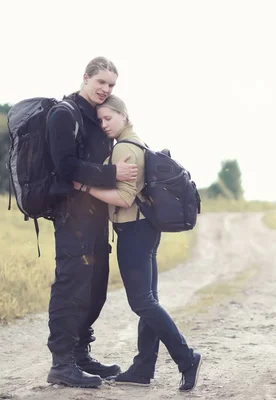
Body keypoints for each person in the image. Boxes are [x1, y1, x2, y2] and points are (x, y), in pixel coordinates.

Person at [72, 94, 203, 391]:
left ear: (123, 115)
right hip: (145, 230)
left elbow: (124, 197)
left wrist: (84, 186)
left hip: (134, 232)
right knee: (149, 300)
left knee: (141, 301)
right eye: (101, 120)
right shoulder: (137, 142)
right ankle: (143, 367)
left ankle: (187, 358)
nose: (104, 125)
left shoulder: (124, 149)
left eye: (109, 118)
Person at [45, 57, 138, 388]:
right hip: (71, 218)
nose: (106, 90)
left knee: (96, 287)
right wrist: (112, 174)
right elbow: (65, 166)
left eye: (111, 86)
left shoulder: (96, 118)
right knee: (71, 286)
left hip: (96, 218)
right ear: (85, 78)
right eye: (101, 82)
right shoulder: (64, 114)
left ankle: (81, 355)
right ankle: (62, 363)